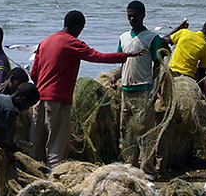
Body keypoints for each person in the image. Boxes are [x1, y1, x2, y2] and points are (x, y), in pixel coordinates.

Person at [29, 10, 147, 168]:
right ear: (78, 27)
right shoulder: (73, 43)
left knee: (36, 144)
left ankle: (33, 176)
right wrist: (126, 56)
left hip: (39, 100)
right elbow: (98, 56)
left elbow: (34, 73)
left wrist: (43, 87)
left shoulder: (45, 42)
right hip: (58, 101)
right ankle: (54, 180)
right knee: (56, 144)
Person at [112, 1, 167, 181]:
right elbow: (123, 62)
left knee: (145, 132)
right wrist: (115, 77)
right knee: (126, 130)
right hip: (126, 90)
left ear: (143, 15)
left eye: (135, 15)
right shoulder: (123, 37)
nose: (132, 19)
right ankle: (131, 167)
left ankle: (148, 170)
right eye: (129, 16)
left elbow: (159, 67)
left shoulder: (152, 38)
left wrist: (154, 90)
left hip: (144, 90)